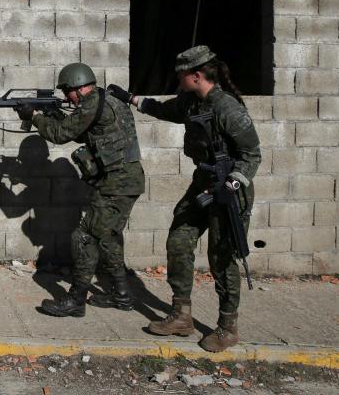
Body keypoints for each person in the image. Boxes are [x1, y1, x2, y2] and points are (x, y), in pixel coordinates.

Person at [107, 45, 260, 352]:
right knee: (178, 241)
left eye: (181, 77)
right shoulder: (192, 102)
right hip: (203, 182)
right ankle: (181, 315)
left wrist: (229, 186)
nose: (178, 83)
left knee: (221, 257)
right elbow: (166, 110)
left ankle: (228, 327)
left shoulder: (228, 109)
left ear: (197, 75)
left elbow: (251, 155)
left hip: (229, 189)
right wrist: (131, 99)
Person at [15, 62, 144, 317]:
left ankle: (76, 300)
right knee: (107, 237)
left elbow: (61, 134)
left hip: (116, 184)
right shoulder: (105, 100)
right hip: (122, 181)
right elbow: (81, 130)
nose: (66, 98)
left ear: (77, 87)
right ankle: (122, 295)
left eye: (67, 92)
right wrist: (49, 113)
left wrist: (34, 116)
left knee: (84, 237)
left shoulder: (93, 103)